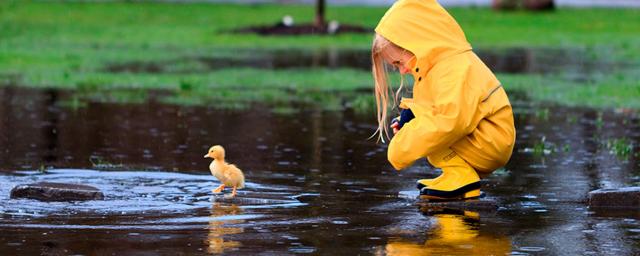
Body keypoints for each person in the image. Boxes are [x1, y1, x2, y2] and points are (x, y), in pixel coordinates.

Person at [371, 0, 516, 200]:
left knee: (433, 133)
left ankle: (462, 178)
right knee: (425, 130)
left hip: (490, 143)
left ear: (416, 44)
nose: (403, 70)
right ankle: (456, 174)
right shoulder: (436, 67)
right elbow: (434, 107)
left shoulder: (454, 68)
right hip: (482, 138)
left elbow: (450, 121)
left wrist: (401, 147)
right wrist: (409, 118)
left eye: (399, 62)